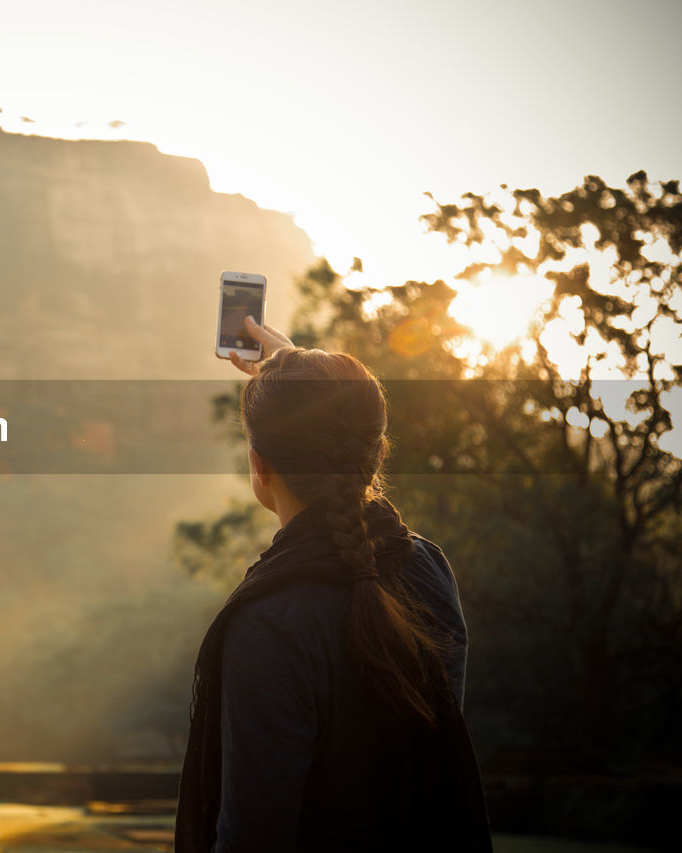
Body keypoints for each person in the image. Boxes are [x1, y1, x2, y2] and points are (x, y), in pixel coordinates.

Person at [175, 317, 492, 852]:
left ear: (259, 465)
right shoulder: (426, 571)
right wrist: (302, 378)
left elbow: (252, 835)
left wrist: (294, 384)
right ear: (375, 453)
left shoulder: (269, 624)